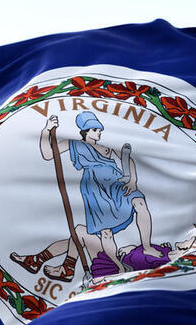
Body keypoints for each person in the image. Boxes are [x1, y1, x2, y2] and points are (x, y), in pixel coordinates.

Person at [11, 111, 163, 281]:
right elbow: (48, 154)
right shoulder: (74, 144)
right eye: (94, 129)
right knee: (104, 233)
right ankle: (115, 267)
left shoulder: (108, 146)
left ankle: (147, 246)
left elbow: (127, 159)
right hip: (95, 188)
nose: (99, 133)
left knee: (139, 202)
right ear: (85, 131)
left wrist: (133, 179)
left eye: (99, 129)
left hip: (117, 184)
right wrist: (46, 131)